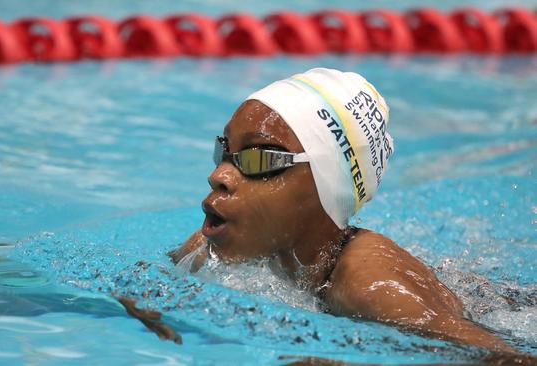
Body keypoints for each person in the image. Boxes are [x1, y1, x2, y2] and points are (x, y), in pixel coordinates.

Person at [167, 68, 516, 353]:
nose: (219, 176)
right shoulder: (214, 239)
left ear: (325, 185)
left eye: (259, 158)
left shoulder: (372, 287)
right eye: (224, 152)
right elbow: (153, 283)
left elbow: (505, 357)